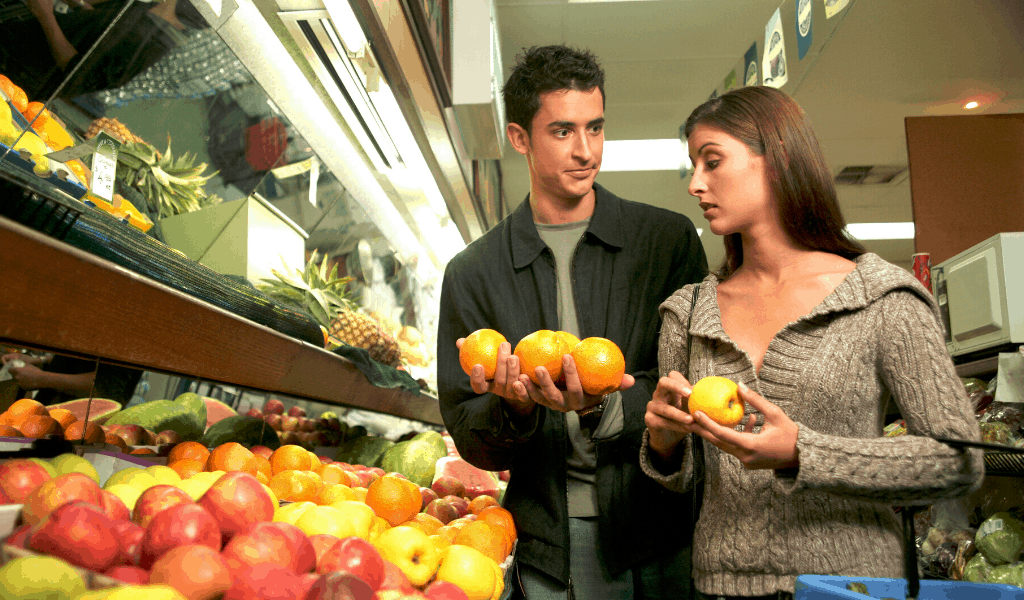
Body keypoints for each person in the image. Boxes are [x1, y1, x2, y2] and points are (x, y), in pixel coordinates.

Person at [640, 85, 984, 600]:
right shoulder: (687, 312)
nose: (695, 184)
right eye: (693, 165)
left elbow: (959, 462)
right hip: (719, 589)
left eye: (712, 162)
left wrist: (804, 452)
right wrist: (665, 446)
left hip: (854, 588)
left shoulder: (882, 298)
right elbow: (685, 480)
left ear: (776, 161)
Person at [437, 45, 708, 599]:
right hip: (548, 548)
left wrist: (605, 405)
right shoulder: (473, 273)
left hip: (662, 532)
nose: (586, 151)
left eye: (595, 128)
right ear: (519, 138)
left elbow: (697, 386)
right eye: (562, 131)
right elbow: (473, 440)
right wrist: (513, 408)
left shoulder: (667, 242)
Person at [1, 351, 142, 406]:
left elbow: (107, 390)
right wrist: (40, 360)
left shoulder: (125, 316)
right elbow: (81, 359)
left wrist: (41, 378)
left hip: (77, 431)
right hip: (47, 416)